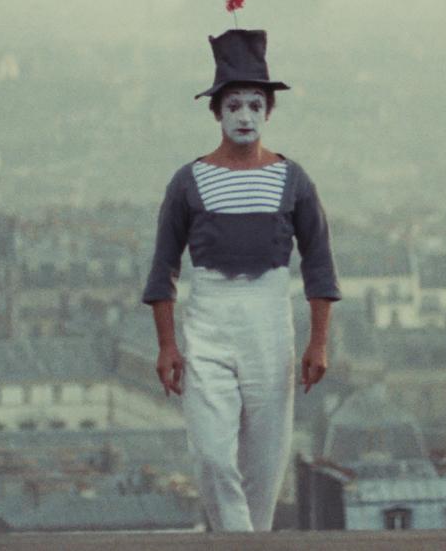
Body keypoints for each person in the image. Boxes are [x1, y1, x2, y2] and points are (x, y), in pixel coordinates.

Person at [141, 28, 340, 532]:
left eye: (255, 104)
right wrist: (167, 345)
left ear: (269, 110)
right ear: (217, 113)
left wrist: (319, 341)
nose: (245, 116)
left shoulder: (293, 180)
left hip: (269, 324)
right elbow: (163, 268)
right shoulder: (188, 181)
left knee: (265, 467)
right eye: (234, 105)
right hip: (208, 321)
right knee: (211, 454)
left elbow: (319, 263)